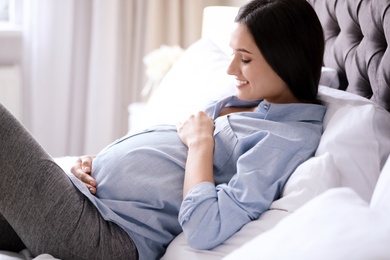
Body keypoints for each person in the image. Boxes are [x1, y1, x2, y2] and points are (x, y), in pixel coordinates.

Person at [0, 0, 326, 259]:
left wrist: (201, 143)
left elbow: (205, 227)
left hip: (103, 234)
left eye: (244, 59)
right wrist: (94, 162)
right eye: (232, 54)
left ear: (286, 60)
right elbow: (165, 161)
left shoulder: (284, 139)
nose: (230, 69)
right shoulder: (249, 98)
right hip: (88, 197)